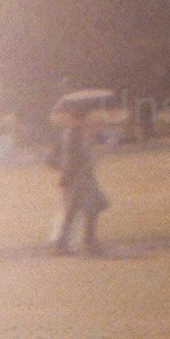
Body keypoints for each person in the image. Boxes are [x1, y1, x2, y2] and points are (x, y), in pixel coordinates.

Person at [50, 109, 110, 256]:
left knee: (75, 211)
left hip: (77, 177)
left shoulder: (71, 133)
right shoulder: (73, 134)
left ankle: (63, 244)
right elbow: (74, 159)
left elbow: (53, 159)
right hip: (79, 178)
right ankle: (88, 244)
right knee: (91, 208)